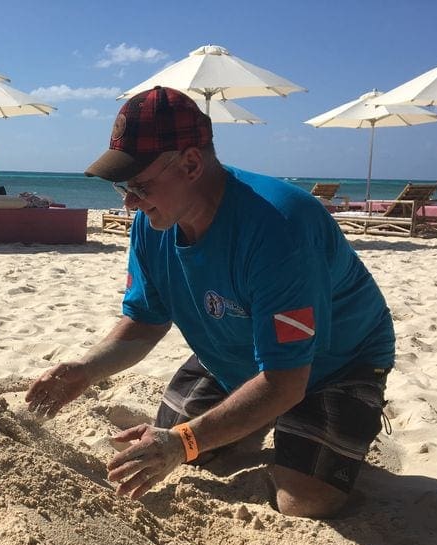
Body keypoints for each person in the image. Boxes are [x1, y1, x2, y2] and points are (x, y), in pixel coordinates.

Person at [26, 87, 395, 519]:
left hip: (334, 364)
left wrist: (182, 441)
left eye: (140, 185)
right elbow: (144, 324)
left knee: (304, 502)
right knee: (181, 453)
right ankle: (263, 427)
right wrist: (86, 370)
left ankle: (339, 425)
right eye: (122, 187)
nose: (129, 202)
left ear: (191, 163)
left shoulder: (279, 226)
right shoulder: (152, 223)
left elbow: (286, 382)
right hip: (231, 351)